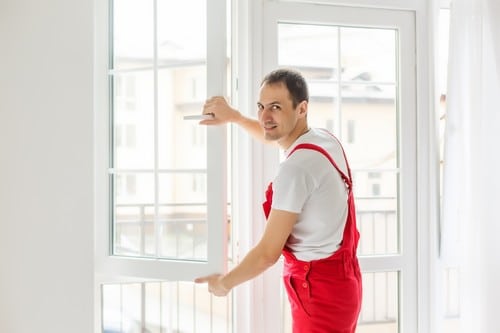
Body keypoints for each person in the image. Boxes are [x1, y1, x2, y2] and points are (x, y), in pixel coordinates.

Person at [195, 68, 362, 333]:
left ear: (301, 108)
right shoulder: (323, 140)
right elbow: (275, 135)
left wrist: (223, 284)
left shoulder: (296, 169)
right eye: (261, 106)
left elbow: (266, 254)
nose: (264, 116)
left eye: (275, 107)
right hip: (343, 282)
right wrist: (236, 118)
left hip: (318, 293)